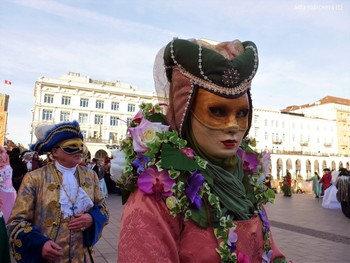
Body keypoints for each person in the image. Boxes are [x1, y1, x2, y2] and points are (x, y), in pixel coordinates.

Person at [113, 38, 288, 262]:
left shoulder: (245, 181)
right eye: (217, 111)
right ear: (184, 111)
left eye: (242, 113)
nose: (233, 126)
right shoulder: (159, 195)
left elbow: (271, 253)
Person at [7, 121, 109, 262]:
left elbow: (103, 208)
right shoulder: (34, 178)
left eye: (81, 146)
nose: (79, 150)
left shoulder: (91, 176)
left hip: (82, 257)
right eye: (71, 146)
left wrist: (92, 218)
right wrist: (39, 244)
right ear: (55, 152)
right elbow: (16, 222)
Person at [0, 146, 17, 223]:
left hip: (4, 194)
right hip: (10, 194)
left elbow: (2, 181)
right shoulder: (8, 166)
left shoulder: (6, 168)